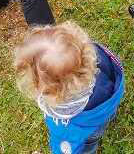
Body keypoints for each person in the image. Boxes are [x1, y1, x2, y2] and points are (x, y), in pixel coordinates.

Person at [14, 21, 125, 154]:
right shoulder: (103, 68)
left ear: (51, 91)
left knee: (87, 146)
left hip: (87, 131)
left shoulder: (64, 122)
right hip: (105, 109)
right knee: (103, 122)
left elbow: (65, 147)